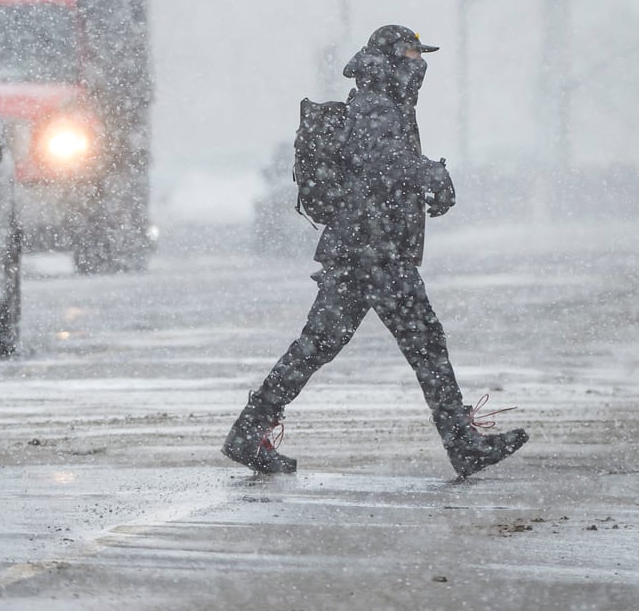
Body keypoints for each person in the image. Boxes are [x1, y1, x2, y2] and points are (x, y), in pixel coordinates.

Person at [222, 25, 528, 478]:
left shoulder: (384, 103)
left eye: (420, 55)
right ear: (389, 59)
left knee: (320, 345)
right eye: (410, 54)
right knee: (425, 344)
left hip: (361, 249)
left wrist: (419, 181)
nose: (418, 64)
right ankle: (462, 444)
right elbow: (382, 160)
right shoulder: (375, 106)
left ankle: (249, 432)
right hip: (374, 251)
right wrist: (431, 174)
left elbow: (379, 168)